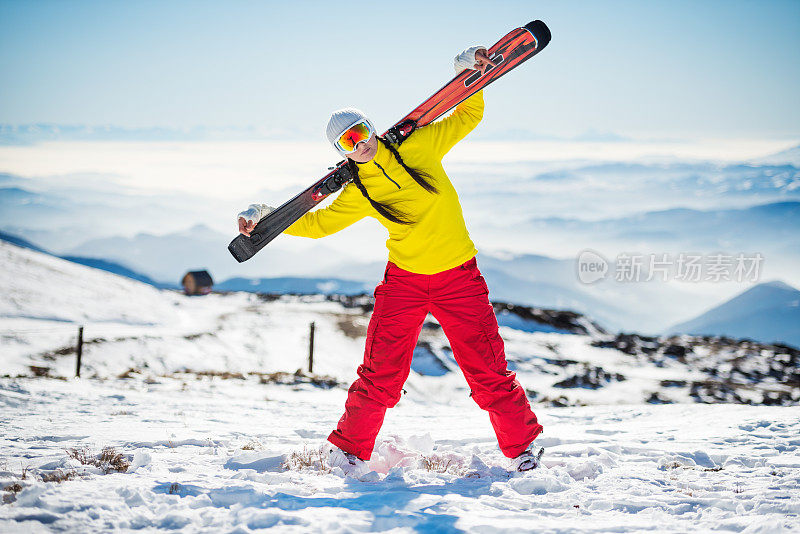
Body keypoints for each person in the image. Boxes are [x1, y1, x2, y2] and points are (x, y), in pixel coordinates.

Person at [238, 46, 543, 474]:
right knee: (381, 373)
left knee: (486, 370)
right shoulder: (359, 188)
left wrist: (465, 73)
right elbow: (319, 224)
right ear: (341, 150)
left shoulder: (419, 144)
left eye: (361, 131)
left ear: (372, 127)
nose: (360, 143)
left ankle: (524, 448)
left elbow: (464, 115)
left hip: (460, 276)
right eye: (348, 141)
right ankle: (348, 451)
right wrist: (267, 218)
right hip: (405, 283)